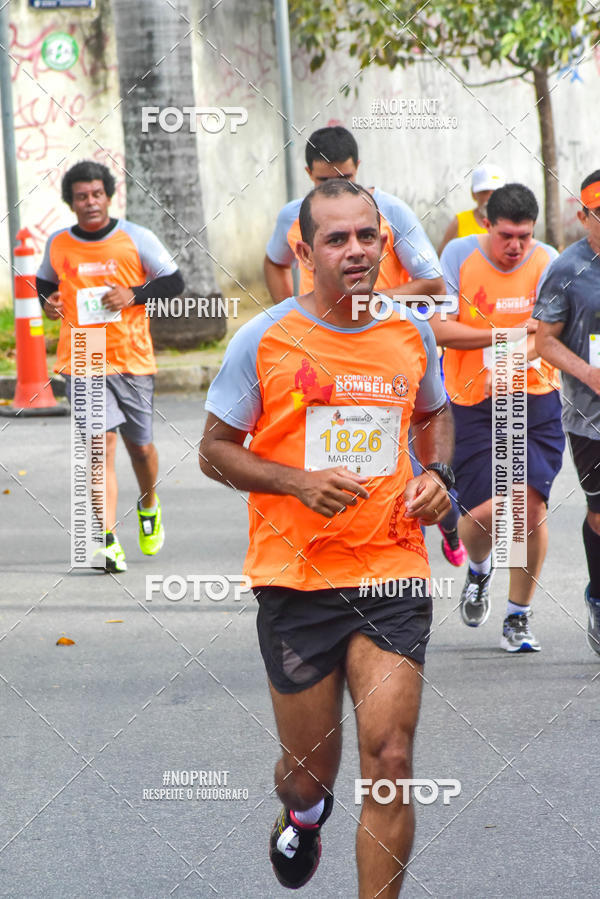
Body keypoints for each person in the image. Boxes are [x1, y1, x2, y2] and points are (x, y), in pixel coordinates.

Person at [201, 179, 455, 896]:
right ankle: (304, 810)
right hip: (297, 576)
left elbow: (433, 412)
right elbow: (215, 448)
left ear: (385, 241)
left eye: (366, 236)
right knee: (311, 769)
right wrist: (296, 481)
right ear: (304, 250)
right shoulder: (266, 337)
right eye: (336, 238)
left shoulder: (410, 332)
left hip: (391, 567)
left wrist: (434, 473)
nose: (354, 250)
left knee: (392, 754)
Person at [431, 183, 565, 652]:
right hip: (470, 403)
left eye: (524, 237)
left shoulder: (548, 260)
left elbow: (549, 335)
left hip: (535, 397)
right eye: (507, 235)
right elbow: (439, 329)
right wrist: (506, 334)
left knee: (529, 507)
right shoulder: (457, 256)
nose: (516, 247)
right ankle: (479, 568)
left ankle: (518, 616)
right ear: (486, 223)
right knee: (482, 514)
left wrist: (511, 357)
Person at [38, 160, 184, 573]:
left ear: (108, 196)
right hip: (83, 355)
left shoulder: (135, 237)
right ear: (71, 202)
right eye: (82, 196)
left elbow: (174, 282)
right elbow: (46, 283)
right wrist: (48, 304)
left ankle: (149, 503)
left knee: (141, 448)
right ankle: (107, 539)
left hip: (132, 359)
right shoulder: (58, 243)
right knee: (99, 449)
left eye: (97, 194)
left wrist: (134, 294)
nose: (90, 203)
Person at [264, 125, 444, 302]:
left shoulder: (392, 211)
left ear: (357, 167)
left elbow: (434, 286)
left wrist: (366, 305)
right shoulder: (292, 216)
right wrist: (291, 318)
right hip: (317, 331)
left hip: (380, 328)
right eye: (325, 180)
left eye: (366, 235)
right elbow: (275, 264)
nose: (336, 188)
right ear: (309, 173)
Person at [534, 169, 600, 655]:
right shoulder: (567, 269)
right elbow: (544, 342)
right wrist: (591, 375)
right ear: (583, 215)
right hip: (589, 415)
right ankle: (598, 598)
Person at [438, 163, 506, 255]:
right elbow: (442, 256)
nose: (490, 197)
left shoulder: (512, 221)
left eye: (496, 191)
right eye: (484, 192)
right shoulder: (460, 221)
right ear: (473, 194)